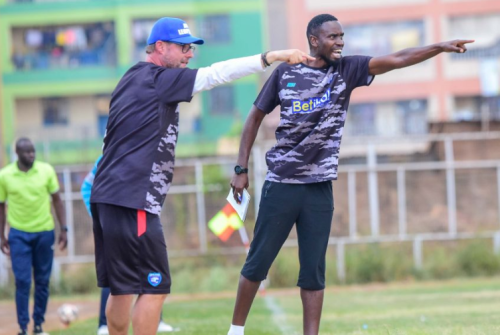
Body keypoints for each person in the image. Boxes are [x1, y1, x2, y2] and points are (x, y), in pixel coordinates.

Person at [227, 13, 474, 335]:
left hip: (319, 189)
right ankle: (235, 330)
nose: (340, 42)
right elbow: (254, 117)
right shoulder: (285, 73)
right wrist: (240, 169)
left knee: (313, 272)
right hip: (282, 184)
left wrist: (439, 47)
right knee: (257, 264)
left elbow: (397, 58)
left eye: (342, 36)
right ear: (314, 40)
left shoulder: (347, 70)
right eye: (333, 37)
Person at [89, 16, 313, 335]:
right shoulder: (160, 78)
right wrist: (270, 57)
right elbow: (215, 75)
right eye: (183, 47)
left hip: (107, 197)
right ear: (160, 47)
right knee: (155, 287)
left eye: (191, 48)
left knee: (122, 289)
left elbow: (109, 137)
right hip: (132, 199)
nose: (189, 54)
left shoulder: (130, 78)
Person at [80, 156, 175, 335]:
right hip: (120, 221)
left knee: (148, 282)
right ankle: (102, 324)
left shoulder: (140, 150)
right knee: (123, 283)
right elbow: (87, 187)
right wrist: (100, 217)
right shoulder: (108, 158)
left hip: (138, 218)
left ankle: (157, 320)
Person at [0, 138, 68, 335]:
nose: (31, 154)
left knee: (42, 281)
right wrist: (2, 236)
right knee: (22, 281)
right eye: (27, 152)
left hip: (44, 232)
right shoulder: (5, 176)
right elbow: (1, 208)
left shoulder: (46, 170)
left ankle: (38, 325)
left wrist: (64, 229)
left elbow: (58, 201)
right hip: (18, 234)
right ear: (17, 154)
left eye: (33, 151)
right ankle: (23, 327)